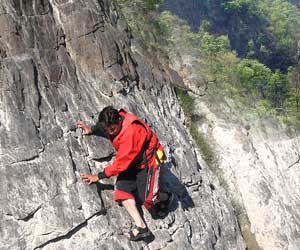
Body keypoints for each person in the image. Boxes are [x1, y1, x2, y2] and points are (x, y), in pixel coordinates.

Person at [77, 106, 173, 241]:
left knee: (148, 200)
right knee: (121, 191)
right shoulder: (115, 121)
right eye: (107, 130)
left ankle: (165, 196)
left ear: (119, 121)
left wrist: (98, 176)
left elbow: (120, 164)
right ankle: (142, 228)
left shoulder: (131, 133)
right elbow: (105, 127)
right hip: (134, 162)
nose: (110, 133)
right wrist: (91, 129)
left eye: (112, 129)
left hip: (149, 163)